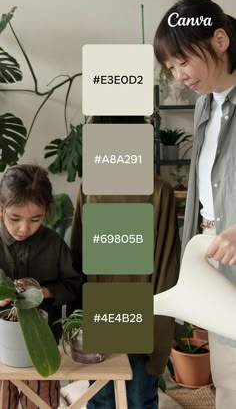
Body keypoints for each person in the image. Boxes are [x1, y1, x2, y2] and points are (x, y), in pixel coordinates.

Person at [154, 0, 236, 408]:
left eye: (183, 60)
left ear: (219, 40)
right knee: (227, 377)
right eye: (171, 67)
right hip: (216, 253)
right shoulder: (205, 104)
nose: (179, 75)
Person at [69, 115, 180, 409]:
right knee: (118, 398)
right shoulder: (91, 189)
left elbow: (165, 265)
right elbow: (78, 260)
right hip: (120, 314)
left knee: (118, 398)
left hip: (131, 314)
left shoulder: (156, 192)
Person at [0, 164, 81, 409]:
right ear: (0, 208)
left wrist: (43, 293)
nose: (24, 228)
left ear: (46, 212)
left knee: (42, 401)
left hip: (43, 342)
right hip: (0, 348)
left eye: (35, 219)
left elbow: (74, 285)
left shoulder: (53, 244)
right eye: (15, 218)